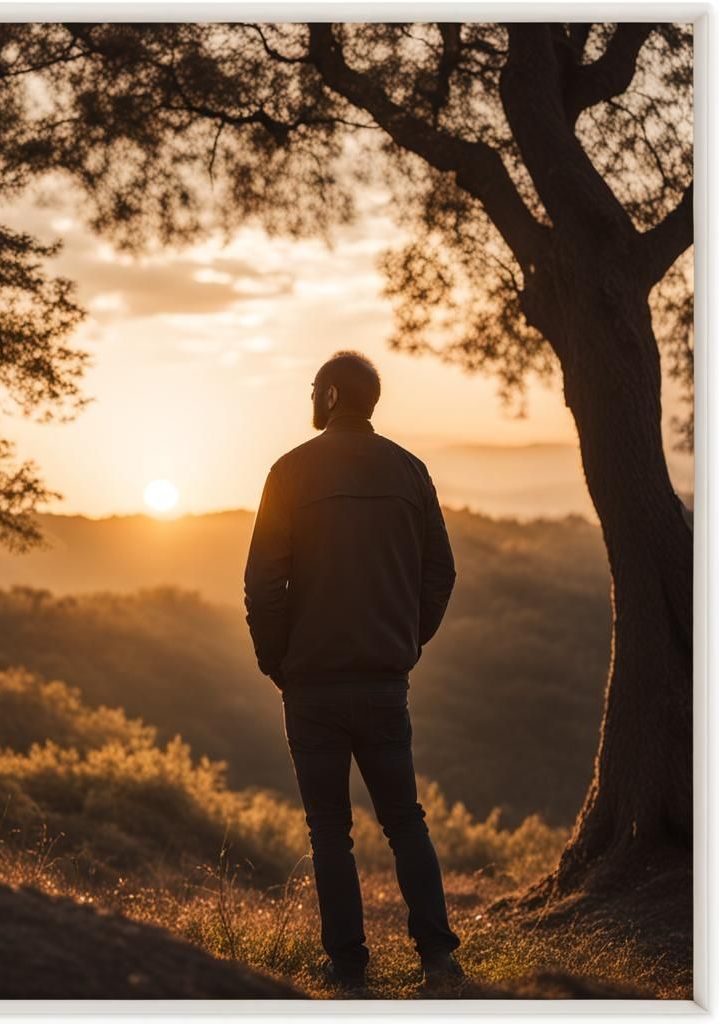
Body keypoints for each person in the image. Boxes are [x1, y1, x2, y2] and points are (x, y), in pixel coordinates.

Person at [243, 350, 463, 995]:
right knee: (405, 821)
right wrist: (405, 642)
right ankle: (438, 958)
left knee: (328, 832)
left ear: (333, 395)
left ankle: (347, 968)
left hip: (311, 685)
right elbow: (441, 573)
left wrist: (277, 662)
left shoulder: (289, 471)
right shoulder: (410, 470)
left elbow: (263, 584)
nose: (311, 397)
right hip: (384, 681)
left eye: (315, 388)